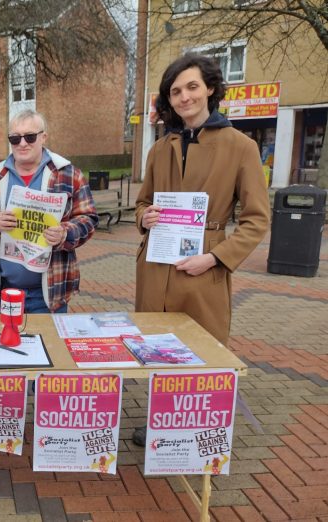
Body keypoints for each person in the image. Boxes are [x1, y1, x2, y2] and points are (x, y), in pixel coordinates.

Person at [132, 53, 270, 446]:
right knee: (157, 348)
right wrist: (145, 217)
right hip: (157, 264)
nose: (184, 97)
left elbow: (256, 219)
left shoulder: (241, 146)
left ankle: (193, 429)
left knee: (200, 351)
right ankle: (161, 423)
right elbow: (141, 204)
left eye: (192, 87)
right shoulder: (161, 147)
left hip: (203, 265)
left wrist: (216, 257)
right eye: (175, 91)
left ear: (210, 88)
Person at [0, 109, 98, 314]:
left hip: (49, 292)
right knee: (3, 345)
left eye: (30, 137)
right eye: (15, 138)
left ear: (43, 137)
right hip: (3, 291)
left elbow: (89, 218)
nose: (22, 143)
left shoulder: (68, 174)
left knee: (48, 345)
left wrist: (64, 233)